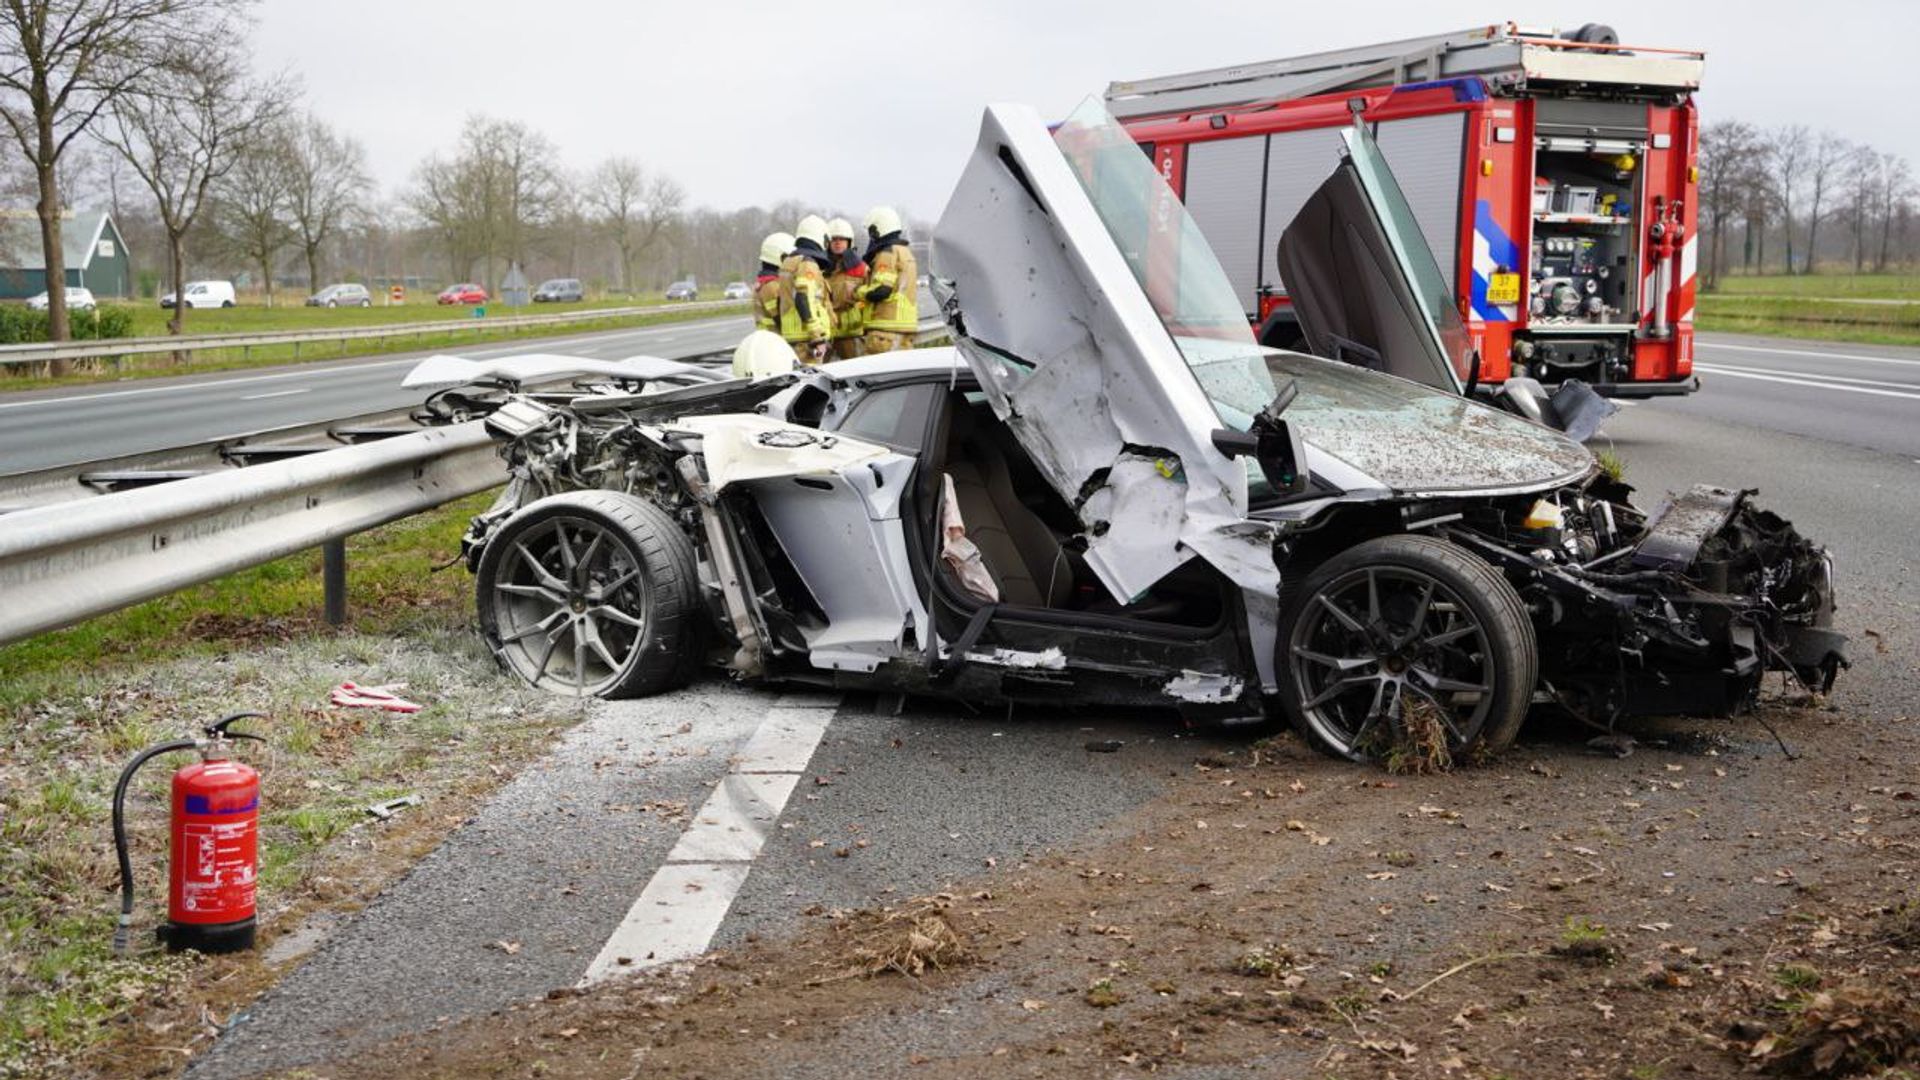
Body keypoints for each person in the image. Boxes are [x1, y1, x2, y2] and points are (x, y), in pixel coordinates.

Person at [857, 206, 918, 353]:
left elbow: (882, 290)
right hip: (905, 327)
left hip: (885, 329)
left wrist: (859, 292)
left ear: (877, 230)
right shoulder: (906, 253)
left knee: (874, 374)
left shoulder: (887, 253)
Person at [782, 215, 834, 364]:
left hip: (793, 336)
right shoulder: (808, 263)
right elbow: (803, 298)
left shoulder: (789, 262)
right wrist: (817, 336)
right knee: (812, 382)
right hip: (807, 340)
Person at [824, 217, 867, 360]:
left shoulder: (860, 268)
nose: (837, 242)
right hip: (826, 334)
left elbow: (870, 298)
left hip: (851, 335)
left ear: (849, 242)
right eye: (834, 239)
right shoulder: (819, 267)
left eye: (842, 239)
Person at [752, 231, 794, 336]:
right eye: (789, 257)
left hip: (770, 339)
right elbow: (782, 318)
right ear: (780, 257)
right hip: (776, 340)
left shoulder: (765, 282)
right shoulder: (771, 286)